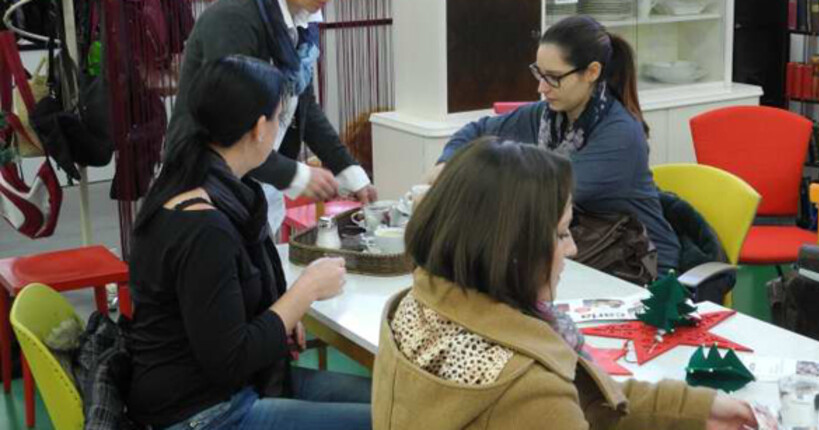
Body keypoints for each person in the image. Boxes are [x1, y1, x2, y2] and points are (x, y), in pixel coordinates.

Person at [373, 138, 759, 429]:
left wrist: (695, 410)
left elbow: (588, 395)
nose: (572, 249)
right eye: (560, 234)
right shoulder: (528, 390)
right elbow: (555, 399)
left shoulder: (416, 304)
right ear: (513, 250)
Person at [127, 56, 371, 430]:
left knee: (397, 400)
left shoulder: (193, 184)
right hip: (204, 412)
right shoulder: (205, 227)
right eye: (278, 119)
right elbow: (230, 359)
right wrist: (304, 292)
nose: (278, 130)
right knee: (399, 418)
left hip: (227, 387)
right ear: (259, 128)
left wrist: (280, 313)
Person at [429, 15, 681, 274]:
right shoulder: (547, 116)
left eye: (553, 77)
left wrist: (458, 187)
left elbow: (548, 195)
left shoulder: (621, 135)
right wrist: (445, 165)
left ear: (592, 72)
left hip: (642, 266)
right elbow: (477, 130)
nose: (542, 87)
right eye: (539, 73)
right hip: (587, 252)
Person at [166, 0, 377, 234]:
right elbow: (230, 126)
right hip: (207, 185)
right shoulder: (233, 18)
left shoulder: (303, 24)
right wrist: (295, 175)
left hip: (261, 182)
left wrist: (350, 172)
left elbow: (304, 105)